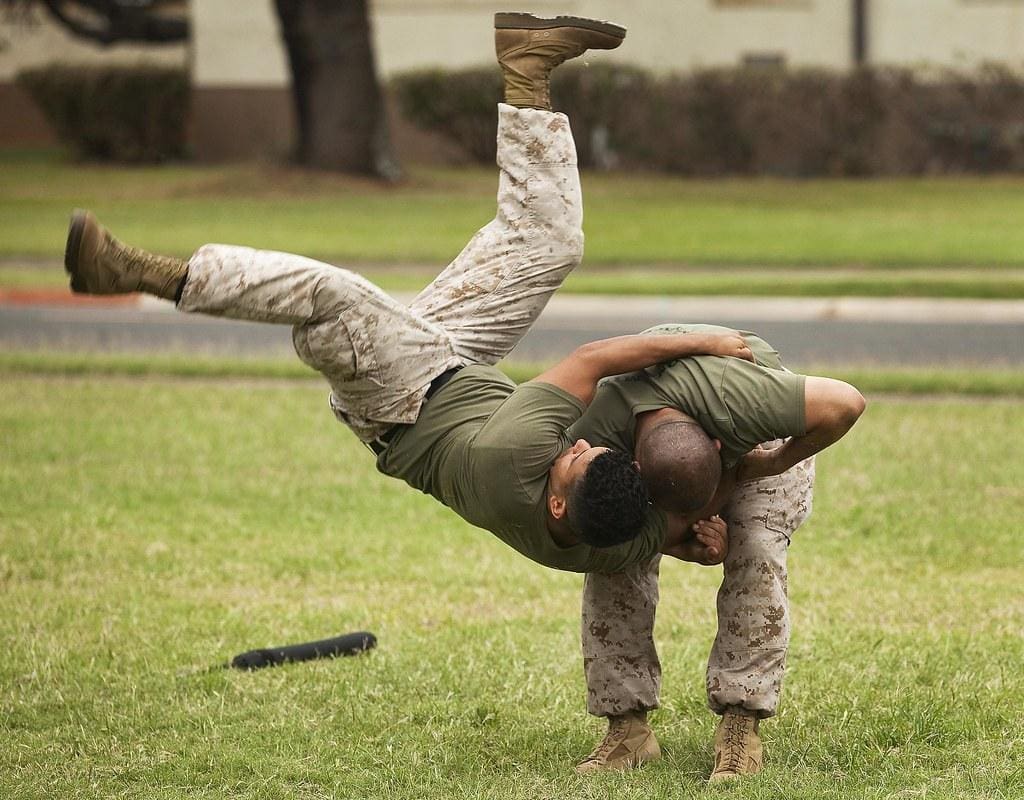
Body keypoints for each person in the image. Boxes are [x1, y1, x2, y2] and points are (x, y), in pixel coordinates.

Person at [62, 14, 752, 574]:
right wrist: (687, 538)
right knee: (550, 242)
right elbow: (635, 532)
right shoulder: (600, 533)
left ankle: (140, 274)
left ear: (559, 505)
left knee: (336, 297)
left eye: (576, 460)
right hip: (452, 361)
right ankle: (527, 70)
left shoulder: (509, 465)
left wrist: (704, 340)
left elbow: (598, 359)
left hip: (399, 396)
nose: (581, 448)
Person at [568, 324, 865, 781]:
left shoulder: (750, 404)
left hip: (761, 450)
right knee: (616, 552)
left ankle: (741, 725)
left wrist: (769, 464)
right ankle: (627, 730)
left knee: (755, 550)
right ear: (634, 466)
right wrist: (682, 542)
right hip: (657, 443)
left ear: (718, 445)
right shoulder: (600, 430)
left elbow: (847, 404)